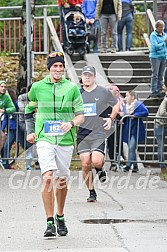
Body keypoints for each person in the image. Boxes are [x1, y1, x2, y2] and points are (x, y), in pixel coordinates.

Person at [25, 51, 84, 237]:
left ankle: (60, 215)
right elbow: (29, 109)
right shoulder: (37, 87)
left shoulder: (72, 88)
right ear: (49, 68)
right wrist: (30, 131)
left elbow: (81, 115)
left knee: (61, 180)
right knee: (48, 177)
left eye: (60, 66)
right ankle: (49, 221)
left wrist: (72, 123)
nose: (58, 69)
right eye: (55, 66)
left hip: (66, 140)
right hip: (45, 138)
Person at [77, 66, 119, 202]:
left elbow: (116, 104)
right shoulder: (77, 93)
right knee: (85, 164)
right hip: (83, 134)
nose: (87, 78)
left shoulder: (103, 92)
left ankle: (100, 169)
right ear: (82, 77)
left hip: (98, 133)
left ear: (94, 77)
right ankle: (91, 191)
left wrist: (111, 118)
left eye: (90, 75)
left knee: (96, 160)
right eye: (85, 75)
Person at [122, 90, 149, 173]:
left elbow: (146, 112)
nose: (125, 98)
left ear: (132, 97)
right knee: (131, 148)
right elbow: (124, 114)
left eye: (127, 96)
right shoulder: (125, 106)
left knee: (132, 147)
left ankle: (128, 165)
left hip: (136, 128)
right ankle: (136, 166)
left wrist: (136, 115)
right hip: (128, 128)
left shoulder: (138, 105)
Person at [106, 84, 125, 168]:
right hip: (105, 125)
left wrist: (120, 115)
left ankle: (115, 160)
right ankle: (112, 160)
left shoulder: (117, 101)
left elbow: (118, 111)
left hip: (115, 125)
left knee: (115, 142)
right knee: (109, 143)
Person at [149, 20, 167, 98]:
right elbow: (155, 46)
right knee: (155, 75)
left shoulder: (165, 35)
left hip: (164, 57)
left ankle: (159, 91)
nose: (162, 28)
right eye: (161, 27)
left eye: (163, 27)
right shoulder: (153, 35)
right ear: (156, 27)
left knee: (161, 75)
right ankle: (153, 91)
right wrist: (164, 42)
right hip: (155, 57)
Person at [0, 81, 16, 155]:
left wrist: (4, 110)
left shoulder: (6, 97)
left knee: (3, 136)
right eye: (2, 86)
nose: (3, 88)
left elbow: (13, 108)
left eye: (5, 87)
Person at [154, 93, 167, 172]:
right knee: (160, 146)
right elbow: (162, 113)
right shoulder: (165, 101)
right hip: (159, 125)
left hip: (164, 124)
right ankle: (162, 166)